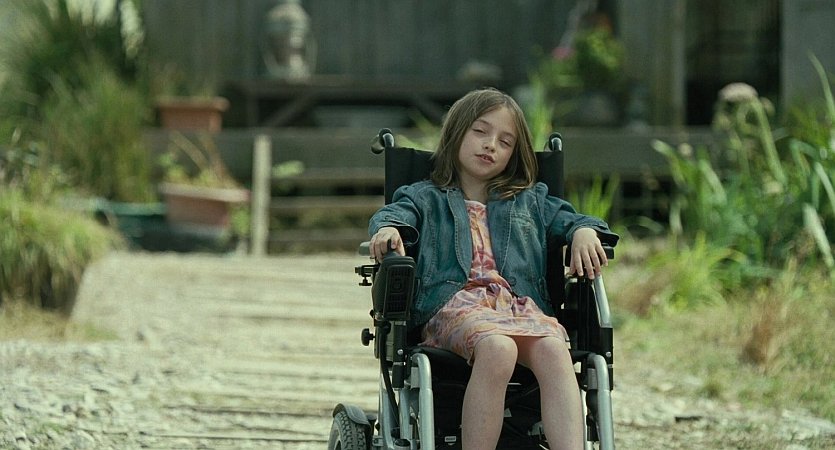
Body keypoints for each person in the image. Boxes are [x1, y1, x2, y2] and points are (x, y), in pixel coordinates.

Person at [368, 88, 618, 450]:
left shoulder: (530, 200)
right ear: (457, 133)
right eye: (481, 132)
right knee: (498, 348)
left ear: (514, 154)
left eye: (505, 141)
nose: (491, 146)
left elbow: (575, 219)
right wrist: (389, 230)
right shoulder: (424, 196)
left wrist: (583, 231)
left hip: (518, 306)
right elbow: (392, 215)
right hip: (454, 306)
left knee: (554, 351)